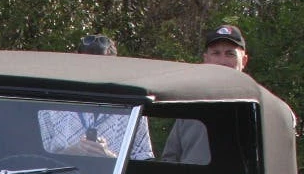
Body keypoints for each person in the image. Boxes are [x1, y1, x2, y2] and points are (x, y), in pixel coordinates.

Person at [38, 33, 153, 160]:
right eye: (87, 63)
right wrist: (72, 152)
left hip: (114, 173)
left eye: (100, 64)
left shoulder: (131, 106)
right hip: (64, 173)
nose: (93, 69)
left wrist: (108, 156)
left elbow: (144, 158)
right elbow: (37, 158)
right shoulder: (54, 104)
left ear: (113, 65)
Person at [159, 24, 249, 165]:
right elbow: (169, 160)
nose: (222, 61)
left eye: (230, 54)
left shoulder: (257, 107)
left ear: (243, 60)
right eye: (216, 53)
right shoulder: (189, 106)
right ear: (206, 59)